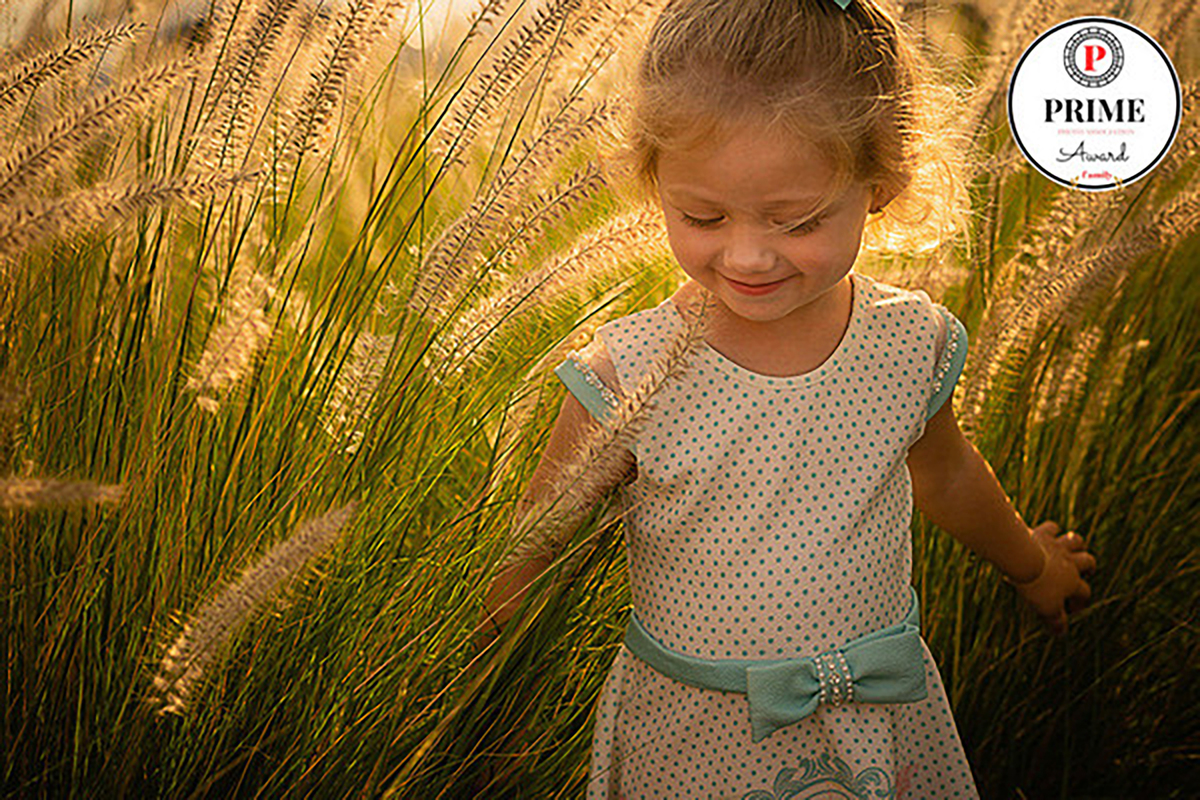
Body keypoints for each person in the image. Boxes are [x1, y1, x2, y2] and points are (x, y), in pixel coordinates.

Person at [483, 0, 1097, 797]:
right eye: (701, 216)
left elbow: (946, 476)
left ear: (883, 184)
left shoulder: (907, 345)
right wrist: (491, 695)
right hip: (692, 738)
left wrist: (1033, 564)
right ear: (653, 181)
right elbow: (537, 543)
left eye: (796, 220)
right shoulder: (628, 375)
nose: (747, 254)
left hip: (876, 719)